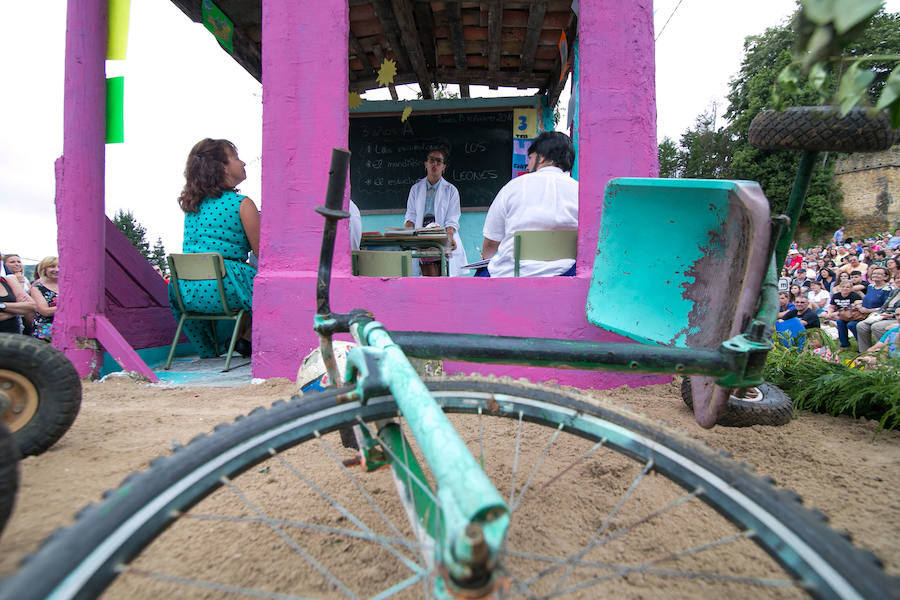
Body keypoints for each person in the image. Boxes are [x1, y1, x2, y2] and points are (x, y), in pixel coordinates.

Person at [171, 138, 259, 359]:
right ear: (221, 167)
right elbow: (263, 253)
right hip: (225, 285)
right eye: (236, 158)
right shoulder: (242, 204)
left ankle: (213, 348)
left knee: (244, 275)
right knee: (263, 282)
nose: (244, 163)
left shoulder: (193, 207)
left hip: (186, 289)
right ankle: (245, 338)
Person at [479, 131, 578, 278]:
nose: (527, 165)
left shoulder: (513, 187)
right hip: (564, 275)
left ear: (542, 157)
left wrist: (485, 259)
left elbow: (491, 242)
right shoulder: (579, 191)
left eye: (530, 158)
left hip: (510, 275)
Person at [403, 146, 468, 277]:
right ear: (425, 164)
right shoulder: (416, 189)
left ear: (444, 167)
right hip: (420, 232)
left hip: (443, 232)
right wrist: (407, 233)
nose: (435, 164)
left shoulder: (451, 190)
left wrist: (449, 235)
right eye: (431, 160)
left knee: (444, 268)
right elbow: (411, 215)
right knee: (419, 265)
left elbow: (452, 218)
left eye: (439, 161)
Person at [856, 273, 900, 352]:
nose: (898, 280)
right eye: (897, 278)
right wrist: (877, 312)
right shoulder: (894, 292)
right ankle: (864, 352)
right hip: (884, 315)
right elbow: (884, 305)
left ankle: (882, 352)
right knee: (861, 325)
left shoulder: (888, 289)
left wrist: (891, 315)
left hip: (895, 318)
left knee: (877, 326)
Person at [822, 280, 863, 349]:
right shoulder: (836, 296)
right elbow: (832, 306)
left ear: (851, 288)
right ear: (839, 288)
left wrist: (836, 313)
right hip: (841, 316)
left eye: (847, 287)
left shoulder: (855, 296)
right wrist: (829, 313)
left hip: (852, 316)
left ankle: (861, 343)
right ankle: (844, 344)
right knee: (839, 322)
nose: (845, 288)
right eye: (843, 287)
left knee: (850, 325)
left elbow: (853, 308)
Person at [29, 256, 59, 342]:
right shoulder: (37, 287)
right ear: (44, 269)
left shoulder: (68, 286)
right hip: (46, 331)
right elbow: (45, 311)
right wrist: (70, 308)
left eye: (60, 267)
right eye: (52, 267)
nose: (56, 270)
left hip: (69, 328)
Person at [0, 263, 35, 334]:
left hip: (14, 338)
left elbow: (32, 306)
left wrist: (2, 306)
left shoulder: (7, 280)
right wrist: (18, 310)